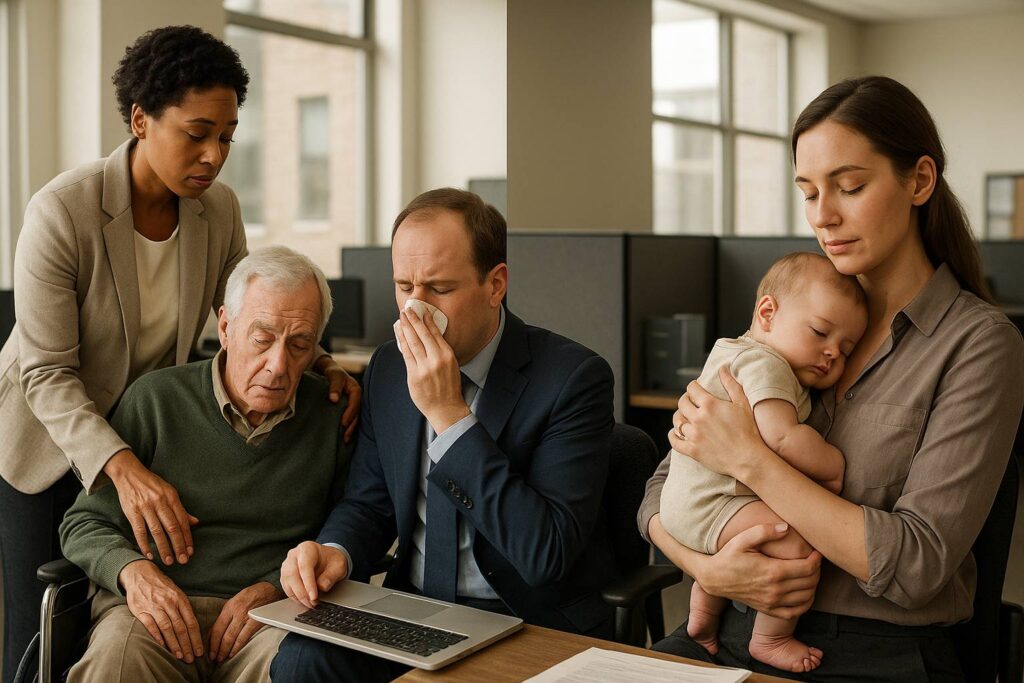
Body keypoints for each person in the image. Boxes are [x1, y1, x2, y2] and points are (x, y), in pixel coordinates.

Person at [0, 26, 359, 682]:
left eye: (226, 134)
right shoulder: (63, 211)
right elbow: (46, 372)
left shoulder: (216, 210)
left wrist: (322, 362)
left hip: (153, 424)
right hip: (53, 440)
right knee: (40, 634)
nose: (215, 154)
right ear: (141, 119)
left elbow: (238, 323)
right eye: (196, 132)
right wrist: (123, 467)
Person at [640, 75, 1024, 681]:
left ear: (919, 180)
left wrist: (751, 459)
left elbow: (918, 562)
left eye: (849, 187)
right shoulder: (798, 323)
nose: (824, 216)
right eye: (809, 192)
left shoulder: (977, 345)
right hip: (732, 625)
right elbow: (663, 487)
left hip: (875, 654)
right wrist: (706, 568)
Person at [269, 188, 618, 682]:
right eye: (404, 285)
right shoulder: (389, 367)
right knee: (303, 662)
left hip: (523, 617)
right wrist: (336, 552)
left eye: (438, 288)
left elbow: (545, 555)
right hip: (412, 609)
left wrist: (449, 415)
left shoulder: (573, 378)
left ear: (496, 285)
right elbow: (369, 504)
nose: (415, 310)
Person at [58, 247, 354, 682]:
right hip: (155, 614)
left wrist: (276, 588)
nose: (277, 366)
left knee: (304, 668)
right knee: (113, 668)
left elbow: (349, 531)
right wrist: (134, 574)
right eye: (262, 338)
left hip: (272, 616)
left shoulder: (332, 416)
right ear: (226, 326)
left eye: (299, 344)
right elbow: (83, 524)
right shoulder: (156, 400)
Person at [660, 252, 866, 673]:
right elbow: (781, 437)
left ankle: (702, 612)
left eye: (845, 350)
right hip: (713, 504)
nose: (831, 354)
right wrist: (831, 465)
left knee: (762, 528)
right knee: (794, 539)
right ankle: (771, 638)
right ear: (768, 313)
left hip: (688, 503)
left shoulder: (735, 352)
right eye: (820, 332)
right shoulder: (765, 364)